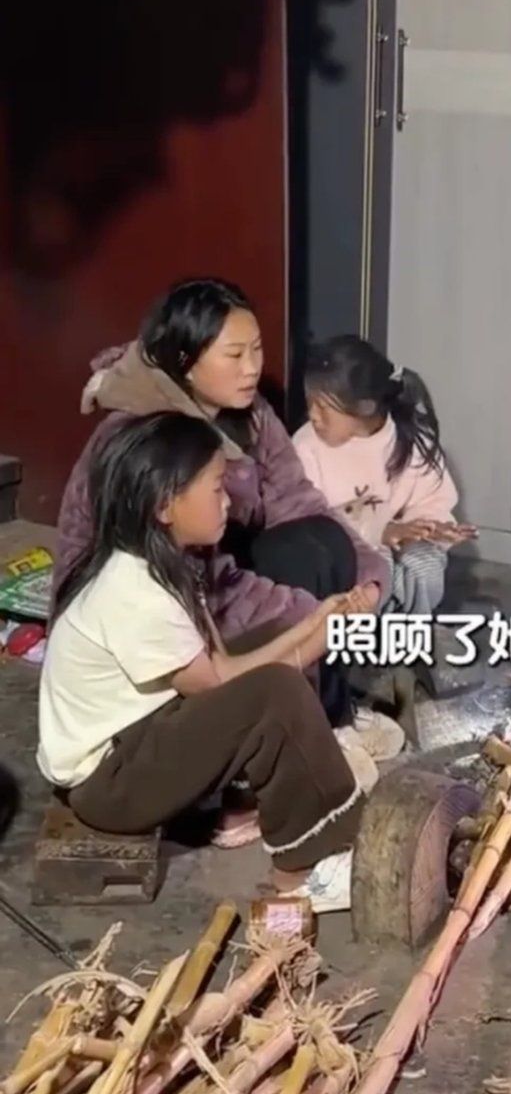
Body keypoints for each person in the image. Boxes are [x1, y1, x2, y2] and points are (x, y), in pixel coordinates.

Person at [40, 412, 378, 912]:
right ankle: (305, 870)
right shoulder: (134, 591)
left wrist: (311, 626)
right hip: (110, 782)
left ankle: (240, 807)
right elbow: (222, 685)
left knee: (267, 644)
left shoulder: (167, 564)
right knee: (274, 695)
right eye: (217, 488)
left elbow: (222, 661)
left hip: (138, 735)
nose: (229, 501)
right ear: (164, 505)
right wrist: (320, 642)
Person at [54, 278, 394, 762]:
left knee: (320, 543)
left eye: (256, 350)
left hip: (222, 571)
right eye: (234, 356)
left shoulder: (250, 414)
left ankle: (328, 713)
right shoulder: (151, 442)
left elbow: (299, 501)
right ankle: (307, 728)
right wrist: (313, 616)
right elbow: (193, 579)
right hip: (168, 598)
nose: (253, 368)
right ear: (186, 362)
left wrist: (369, 581)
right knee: (310, 584)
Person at [294, 335, 475, 621]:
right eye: (310, 404)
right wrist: (381, 531)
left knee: (423, 564)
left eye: (324, 408)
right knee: (379, 565)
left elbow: (431, 499)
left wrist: (429, 528)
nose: (313, 416)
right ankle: (370, 638)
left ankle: (410, 631)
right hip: (347, 549)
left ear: (365, 406)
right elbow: (309, 522)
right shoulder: (306, 447)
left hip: (403, 544)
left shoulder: (412, 439)